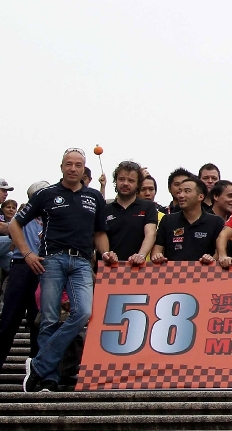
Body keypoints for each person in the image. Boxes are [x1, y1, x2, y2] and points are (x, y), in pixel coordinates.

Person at [15, 149, 109, 392]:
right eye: (69, 164)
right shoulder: (46, 194)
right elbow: (16, 224)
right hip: (52, 260)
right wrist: (27, 254)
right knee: (49, 319)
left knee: (83, 312)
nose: (73, 169)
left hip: (82, 261)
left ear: (84, 168)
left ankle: (39, 364)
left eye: (78, 165)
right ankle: (49, 379)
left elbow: (100, 233)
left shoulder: (94, 197)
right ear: (62, 167)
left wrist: (106, 253)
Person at [0, 181, 46, 376]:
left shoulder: (50, 220)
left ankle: (36, 371)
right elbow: (8, 227)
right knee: (9, 319)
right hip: (21, 267)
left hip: (43, 270)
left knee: (38, 322)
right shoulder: (23, 217)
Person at [151, 177, 224, 264]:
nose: (181, 195)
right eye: (179, 192)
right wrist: (157, 256)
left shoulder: (216, 222)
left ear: (200, 196)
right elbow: (157, 249)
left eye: (187, 191)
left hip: (205, 271)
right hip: (172, 271)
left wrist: (211, 259)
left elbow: (220, 252)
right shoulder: (168, 220)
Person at [101, 160, 159, 266]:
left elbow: (150, 233)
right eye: (121, 179)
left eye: (131, 180)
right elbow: (99, 235)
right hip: (109, 267)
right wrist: (106, 254)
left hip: (137, 267)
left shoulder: (148, 207)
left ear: (138, 184)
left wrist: (141, 255)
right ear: (115, 181)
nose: (125, 183)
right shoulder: (105, 209)